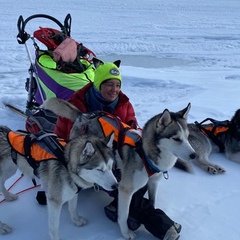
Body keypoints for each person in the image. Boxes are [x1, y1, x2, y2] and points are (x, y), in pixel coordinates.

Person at [53, 58, 181, 240]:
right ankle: (162, 226)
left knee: (134, 183)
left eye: (118, 85)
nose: (114, 90)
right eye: (109, 85)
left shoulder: (124, 104)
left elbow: (132, 130)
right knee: (127, 189)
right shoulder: (77, 104)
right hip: (87, 165)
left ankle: (125, 211)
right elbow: (61, 138)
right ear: (98, 84)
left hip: (117, 160)